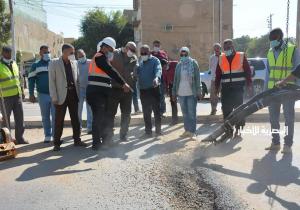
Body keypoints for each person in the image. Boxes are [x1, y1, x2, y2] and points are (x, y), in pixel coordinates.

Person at [86, 37, 130, 150]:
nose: (111, 52)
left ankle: (106, 141)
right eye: (110, 50)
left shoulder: (101, 58)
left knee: (103, 117)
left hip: (99, 92)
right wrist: (123, 83)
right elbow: (111, 71)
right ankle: (96, 144)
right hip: (96, 93)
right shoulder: (99, 57)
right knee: (98, 117)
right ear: (104, 47)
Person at [265, 28, 300, 153]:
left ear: (280, 38)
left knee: (288, 118)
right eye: (270, 40)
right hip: (273, 91)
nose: (271, 42)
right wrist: (265, 91)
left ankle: (288, 145)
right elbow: (268, 74)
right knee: (273, 118)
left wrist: (297, 90)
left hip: (288, 91)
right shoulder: (270, 52)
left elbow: (297, 71)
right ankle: (275, 142)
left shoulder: (292, 50)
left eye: (273, 39)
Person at [49, 44, 87, 151]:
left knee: (76, 119)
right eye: (71, 52)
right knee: (59, 120)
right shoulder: (54, 63)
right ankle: (56, 143)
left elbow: (77, 80)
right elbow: (51, 81)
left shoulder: (74, 63)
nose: (73, 55)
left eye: (73, 52)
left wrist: (79, 94)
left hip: (73, 95)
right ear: (64, 52)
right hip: (61, 96)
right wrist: (54, 96)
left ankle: (77, 140)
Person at [215, 39, 253, 138]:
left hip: (238, 89)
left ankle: (238, 131)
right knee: (226, 111)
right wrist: (216, 88)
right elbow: (218, 74)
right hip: (226, 90)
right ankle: (229, 131)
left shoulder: (240, 56)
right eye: (225, 48)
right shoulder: (221, 58)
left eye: (229, 47)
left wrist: (249, 85)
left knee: (239, 111)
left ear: (233, 47)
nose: (227, 49)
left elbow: (248, 72)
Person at [105, 41, 138, 142]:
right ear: (126, 47)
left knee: (126, 114)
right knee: (110, 114)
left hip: (127, 91)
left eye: (134, 50)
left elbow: (135, 72)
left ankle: (123, 135)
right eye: (131, 49)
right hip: (114, 89)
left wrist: (133, 81)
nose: (132, 52)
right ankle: (108, 137)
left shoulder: (134, 58)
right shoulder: (114, 53)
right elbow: (107, 68)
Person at [172, 47, 202, 139]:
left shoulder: (193, 63)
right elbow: (175, 80)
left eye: (185, 54)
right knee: (185, 113)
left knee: (192, 113)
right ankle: (187, 130)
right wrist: (174, 92)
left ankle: (193, 132)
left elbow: (197, 78)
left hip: (191, 93)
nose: (183, 56)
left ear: (188, 54)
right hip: (181, 93)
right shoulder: (178, 65)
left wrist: (199, 91)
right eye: (182, 54)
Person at [0, 46, 28, 144]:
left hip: (17, 95)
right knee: (5, 120)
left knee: (20, 118)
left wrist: (22, 91)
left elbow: (19, 78)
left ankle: (19, 138)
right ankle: (6, 139)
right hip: (5, 98)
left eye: (10, 53)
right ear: (3, 53)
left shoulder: (14, 63)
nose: (9, 55)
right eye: (7, 53)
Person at [28, 45, 55, 143]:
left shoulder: (54, 63)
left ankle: (56, 135)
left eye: (48, 52)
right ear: (40, 53)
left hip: (54, 94)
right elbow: (31, 80)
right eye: (44, 52)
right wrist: (31, 94)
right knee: (45, 116)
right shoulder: (35, 65)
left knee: (56, 116)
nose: (47, 54)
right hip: (42, 94)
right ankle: (48, 135)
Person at [137, 45, 162, 138]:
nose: (143, 55)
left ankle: (158, 132)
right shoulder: (140, 62)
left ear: (149, 52)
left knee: (156, 111)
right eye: (141, 53)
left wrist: (156, 78)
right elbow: (137, 72)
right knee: (146, 112)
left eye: (145, 53)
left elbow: (158, 70)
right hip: (143, 90)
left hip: (153, 89)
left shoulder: (155, 61)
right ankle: (148, 132)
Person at [77, 49, 92, 134]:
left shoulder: (90, 62)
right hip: (79, 89)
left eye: (82, 55)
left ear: (85, 54)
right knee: (78, 109)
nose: (81, 57)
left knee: (89, 109)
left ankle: (89, 128)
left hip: (89, 88)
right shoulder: (76, 63)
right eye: (79, 56)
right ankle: (78, 127)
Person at [152, 40, 168, 117]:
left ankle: (162, 111)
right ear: (153, 46)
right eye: (155, 45)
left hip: (161, 77)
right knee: (153, 96)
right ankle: (155, 112)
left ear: (160, 46)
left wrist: (165, 64)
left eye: (158, 46)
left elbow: (166, 64)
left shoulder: (163, 54)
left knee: (161, 95)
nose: (156, 47)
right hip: (151, 78)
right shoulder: (150, 54)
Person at [161, 59, 178, 125]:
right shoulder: (164, 70)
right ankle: (174, 119)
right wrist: (167, 90)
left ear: (167, 63)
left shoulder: (175, 63)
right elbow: (165, 80)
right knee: (173, 102)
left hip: (179, 84)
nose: (165, 68)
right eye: (163, 68)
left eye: (165, 66)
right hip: (171, 86)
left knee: (183, 101)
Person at [209, 43, 221, 115]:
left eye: (217, 48)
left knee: (224, 95)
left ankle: (224, 109)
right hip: (214, 79)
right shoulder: (211, 58)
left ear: (220, 49)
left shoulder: (224, 57)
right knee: (213, 95)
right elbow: (210, 68)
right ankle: (213, 109)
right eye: (215, 48)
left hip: (223, 79)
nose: (216, 49)